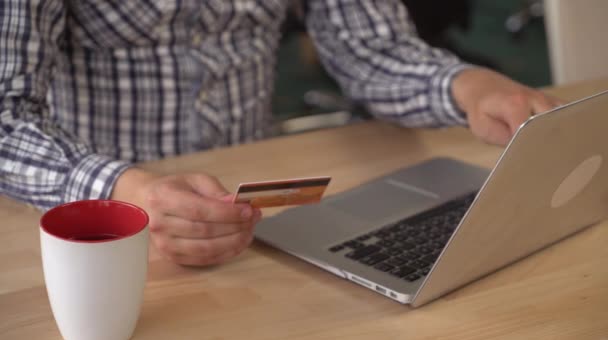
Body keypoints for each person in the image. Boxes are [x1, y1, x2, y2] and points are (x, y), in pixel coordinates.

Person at [0, 1, 560, 266]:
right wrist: (123, 191)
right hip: (89, 228)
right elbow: (6, 117)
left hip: (254, 223)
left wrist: (465, 85)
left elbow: (367, 42)